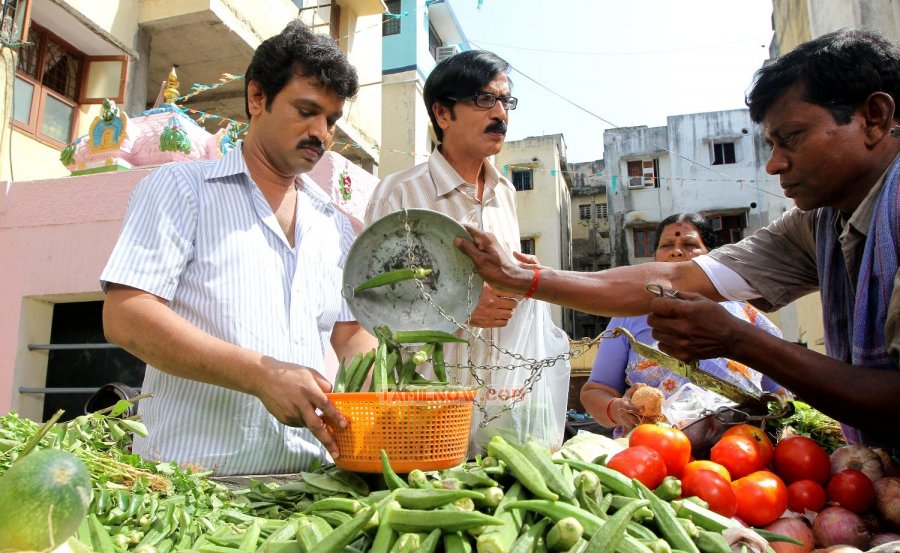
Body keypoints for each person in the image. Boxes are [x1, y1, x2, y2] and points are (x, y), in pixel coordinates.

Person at [456, 28, 900, 453]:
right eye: (770, 144)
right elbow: (674, 279)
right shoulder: (815, 225)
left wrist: (740, 341)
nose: (774, 165)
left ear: (874, 118)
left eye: (791, 138)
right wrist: (523, 278)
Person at [100, 21, 377, 475]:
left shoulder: (332, 224)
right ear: (257, 98)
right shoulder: (181, 190)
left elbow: (349, 334)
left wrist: (381, 386)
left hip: (308, 483)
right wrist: (259, 374)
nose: (321, 133)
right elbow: (126, 314)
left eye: (331, 120)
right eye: (306, 110)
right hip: (192, 487)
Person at [364, 49, 571, 450]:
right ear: (442, 114)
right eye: (483, 100)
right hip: (423, 403)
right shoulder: (401, 192)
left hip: (495, 399)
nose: (501, 114)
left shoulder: (504, 192)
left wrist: (518, 271)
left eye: (505, 101)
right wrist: (460, 307)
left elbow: (497, 275)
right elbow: (371, 298)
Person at [581, 213, 786, 436]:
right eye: (667, 245)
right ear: (655, 257)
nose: (676, 251)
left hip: (740, 450)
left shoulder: (747, 316)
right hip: (653, 451)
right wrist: (618, 409)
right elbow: (595, 391)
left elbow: (779, 396)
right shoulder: (629, 316)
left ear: (711, 256)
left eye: (689, 244)